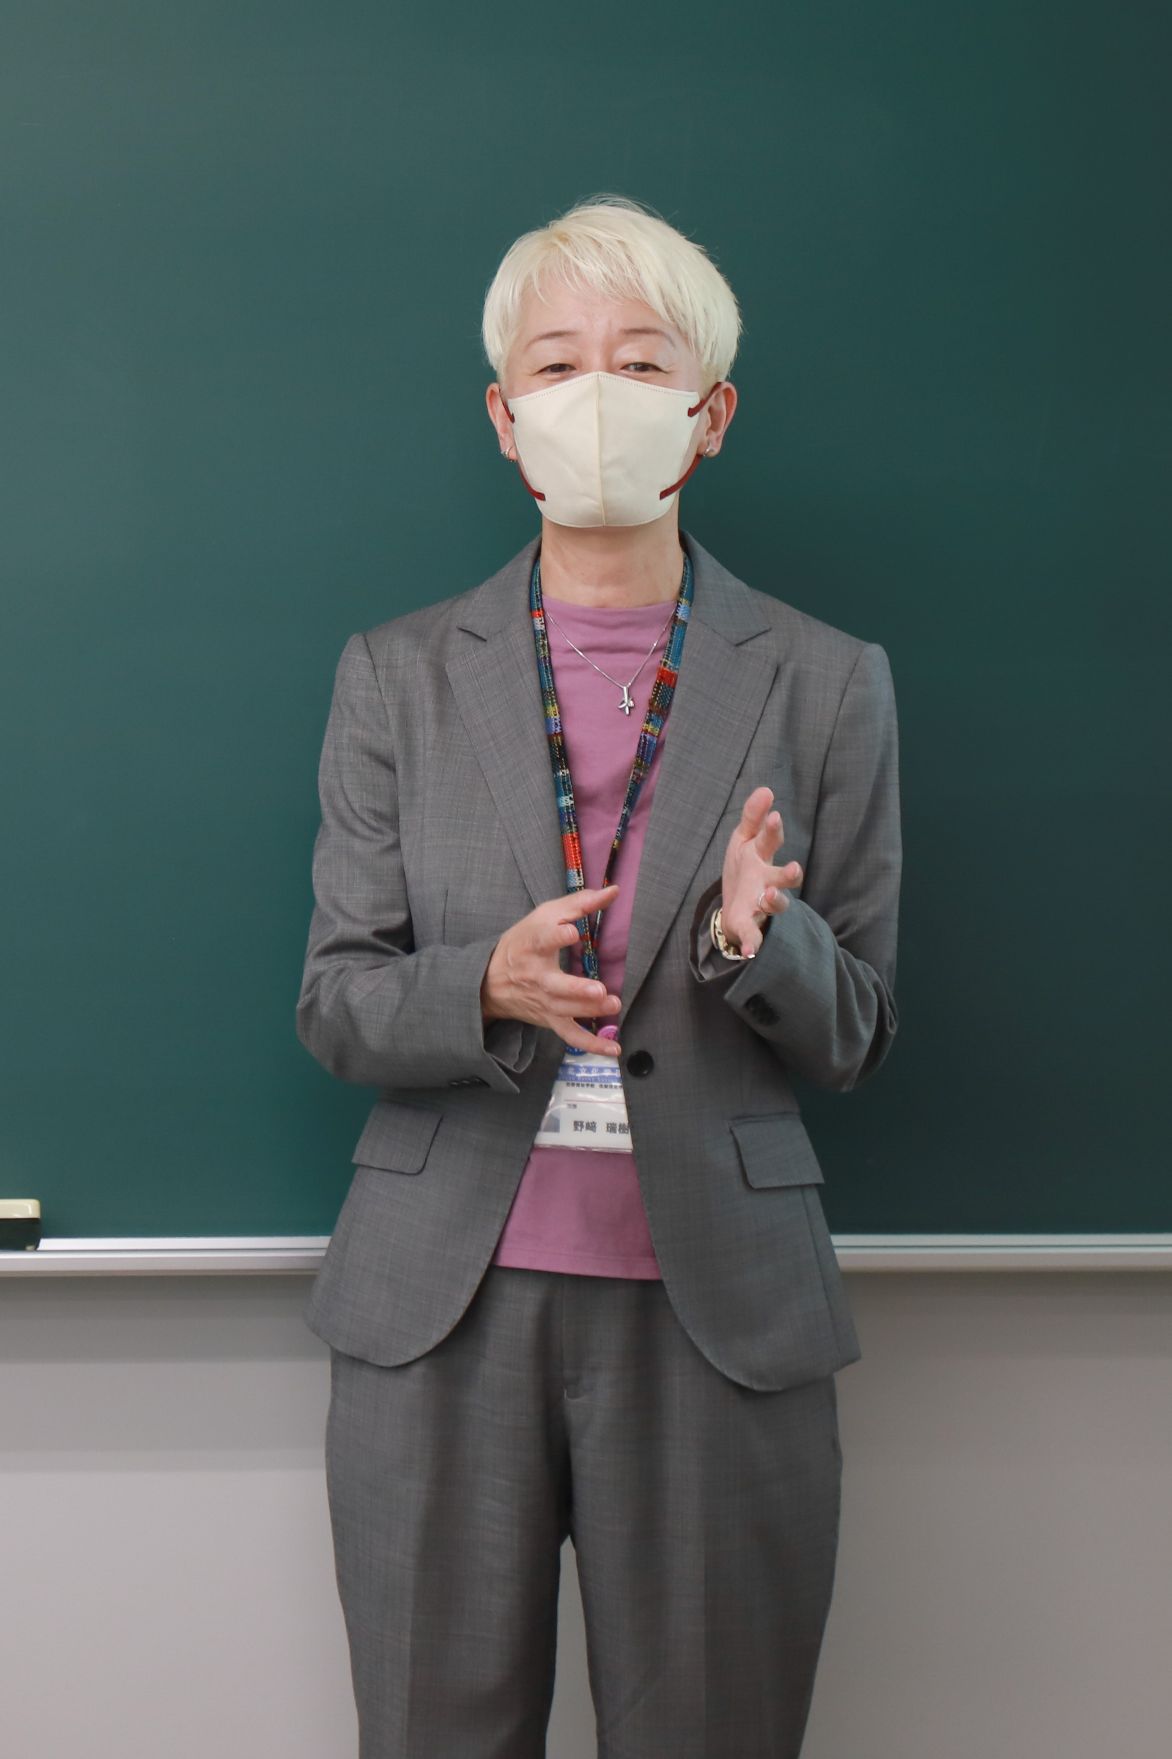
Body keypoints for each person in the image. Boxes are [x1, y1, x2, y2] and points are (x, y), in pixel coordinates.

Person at [296, 194, 902, 1759]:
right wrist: (479, 986)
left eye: (642, 363)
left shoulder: (828, 681)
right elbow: (337, 998)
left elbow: (858, 1032)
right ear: (506, 419)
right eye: (558, 364)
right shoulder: (397, 675)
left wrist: (764, 944)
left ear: (712, 413)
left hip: (720, 1309)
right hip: (444, 1301)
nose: (598, 395)